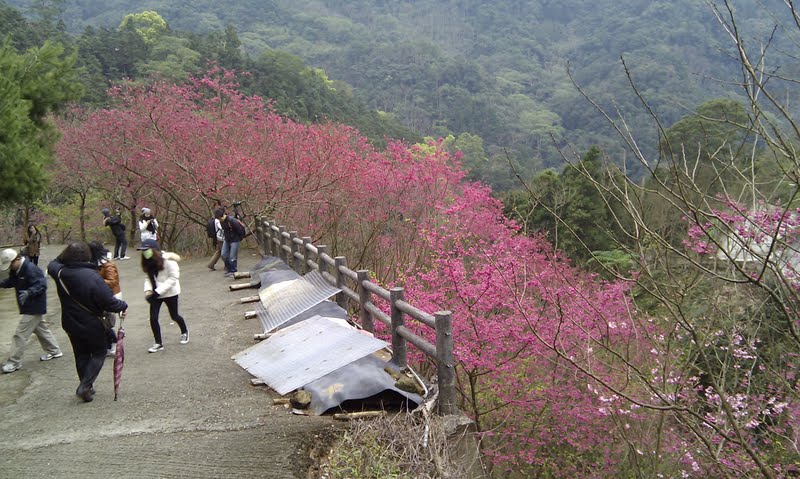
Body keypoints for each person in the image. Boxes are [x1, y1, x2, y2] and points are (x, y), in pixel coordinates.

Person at [47, 242, 128, 402]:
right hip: (91, 323)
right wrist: (123, 305)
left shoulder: (59, 272)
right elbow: (109, 303)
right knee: (99, 352)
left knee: (80, 354)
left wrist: (65, 255)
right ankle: (85, 386)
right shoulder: (93, 277)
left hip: (70, 321)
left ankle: (87, 387)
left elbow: (53, 263)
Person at [0, 248, 63, 373]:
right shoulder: (17, 270)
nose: (10, 267)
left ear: (17, 259)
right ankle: (54, 350)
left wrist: (29, 292)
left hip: (34, 306)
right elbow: (12, 281)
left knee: (20, 334)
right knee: (41, 329)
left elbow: (42, 284)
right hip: (29, 306)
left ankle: (14, 362)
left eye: (11, 264)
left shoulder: (30, 269)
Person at [137, 239, 189, 353]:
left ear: (154, 250)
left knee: (174, 316)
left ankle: (184, 331)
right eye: (143, 251)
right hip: (155, 294)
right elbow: (148, 278)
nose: (145, 253)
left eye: (147, 250)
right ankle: (158, 343)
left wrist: (158, 291)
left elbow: (173, 278)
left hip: (170, 293)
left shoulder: (169, 261)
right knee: (153, 318)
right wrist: (148, 291)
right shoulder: (147, 262)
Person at [88, 241, 123, 356]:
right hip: (100, 295)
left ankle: (112, 343)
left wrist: (95, 280)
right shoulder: (94, 263)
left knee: (105, 323)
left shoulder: (108, 264)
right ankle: (108, 344)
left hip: (109, 295)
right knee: (101, 323)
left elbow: (113, 282)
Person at [221, 210, 246, 278]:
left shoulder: (232, 220)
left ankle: (233, 271)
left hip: (235, 239)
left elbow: (239, 230)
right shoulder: (222, 221)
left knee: (233, 257)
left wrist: (240, 238)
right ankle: (229, 269)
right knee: (224, 255)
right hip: (227, 239)